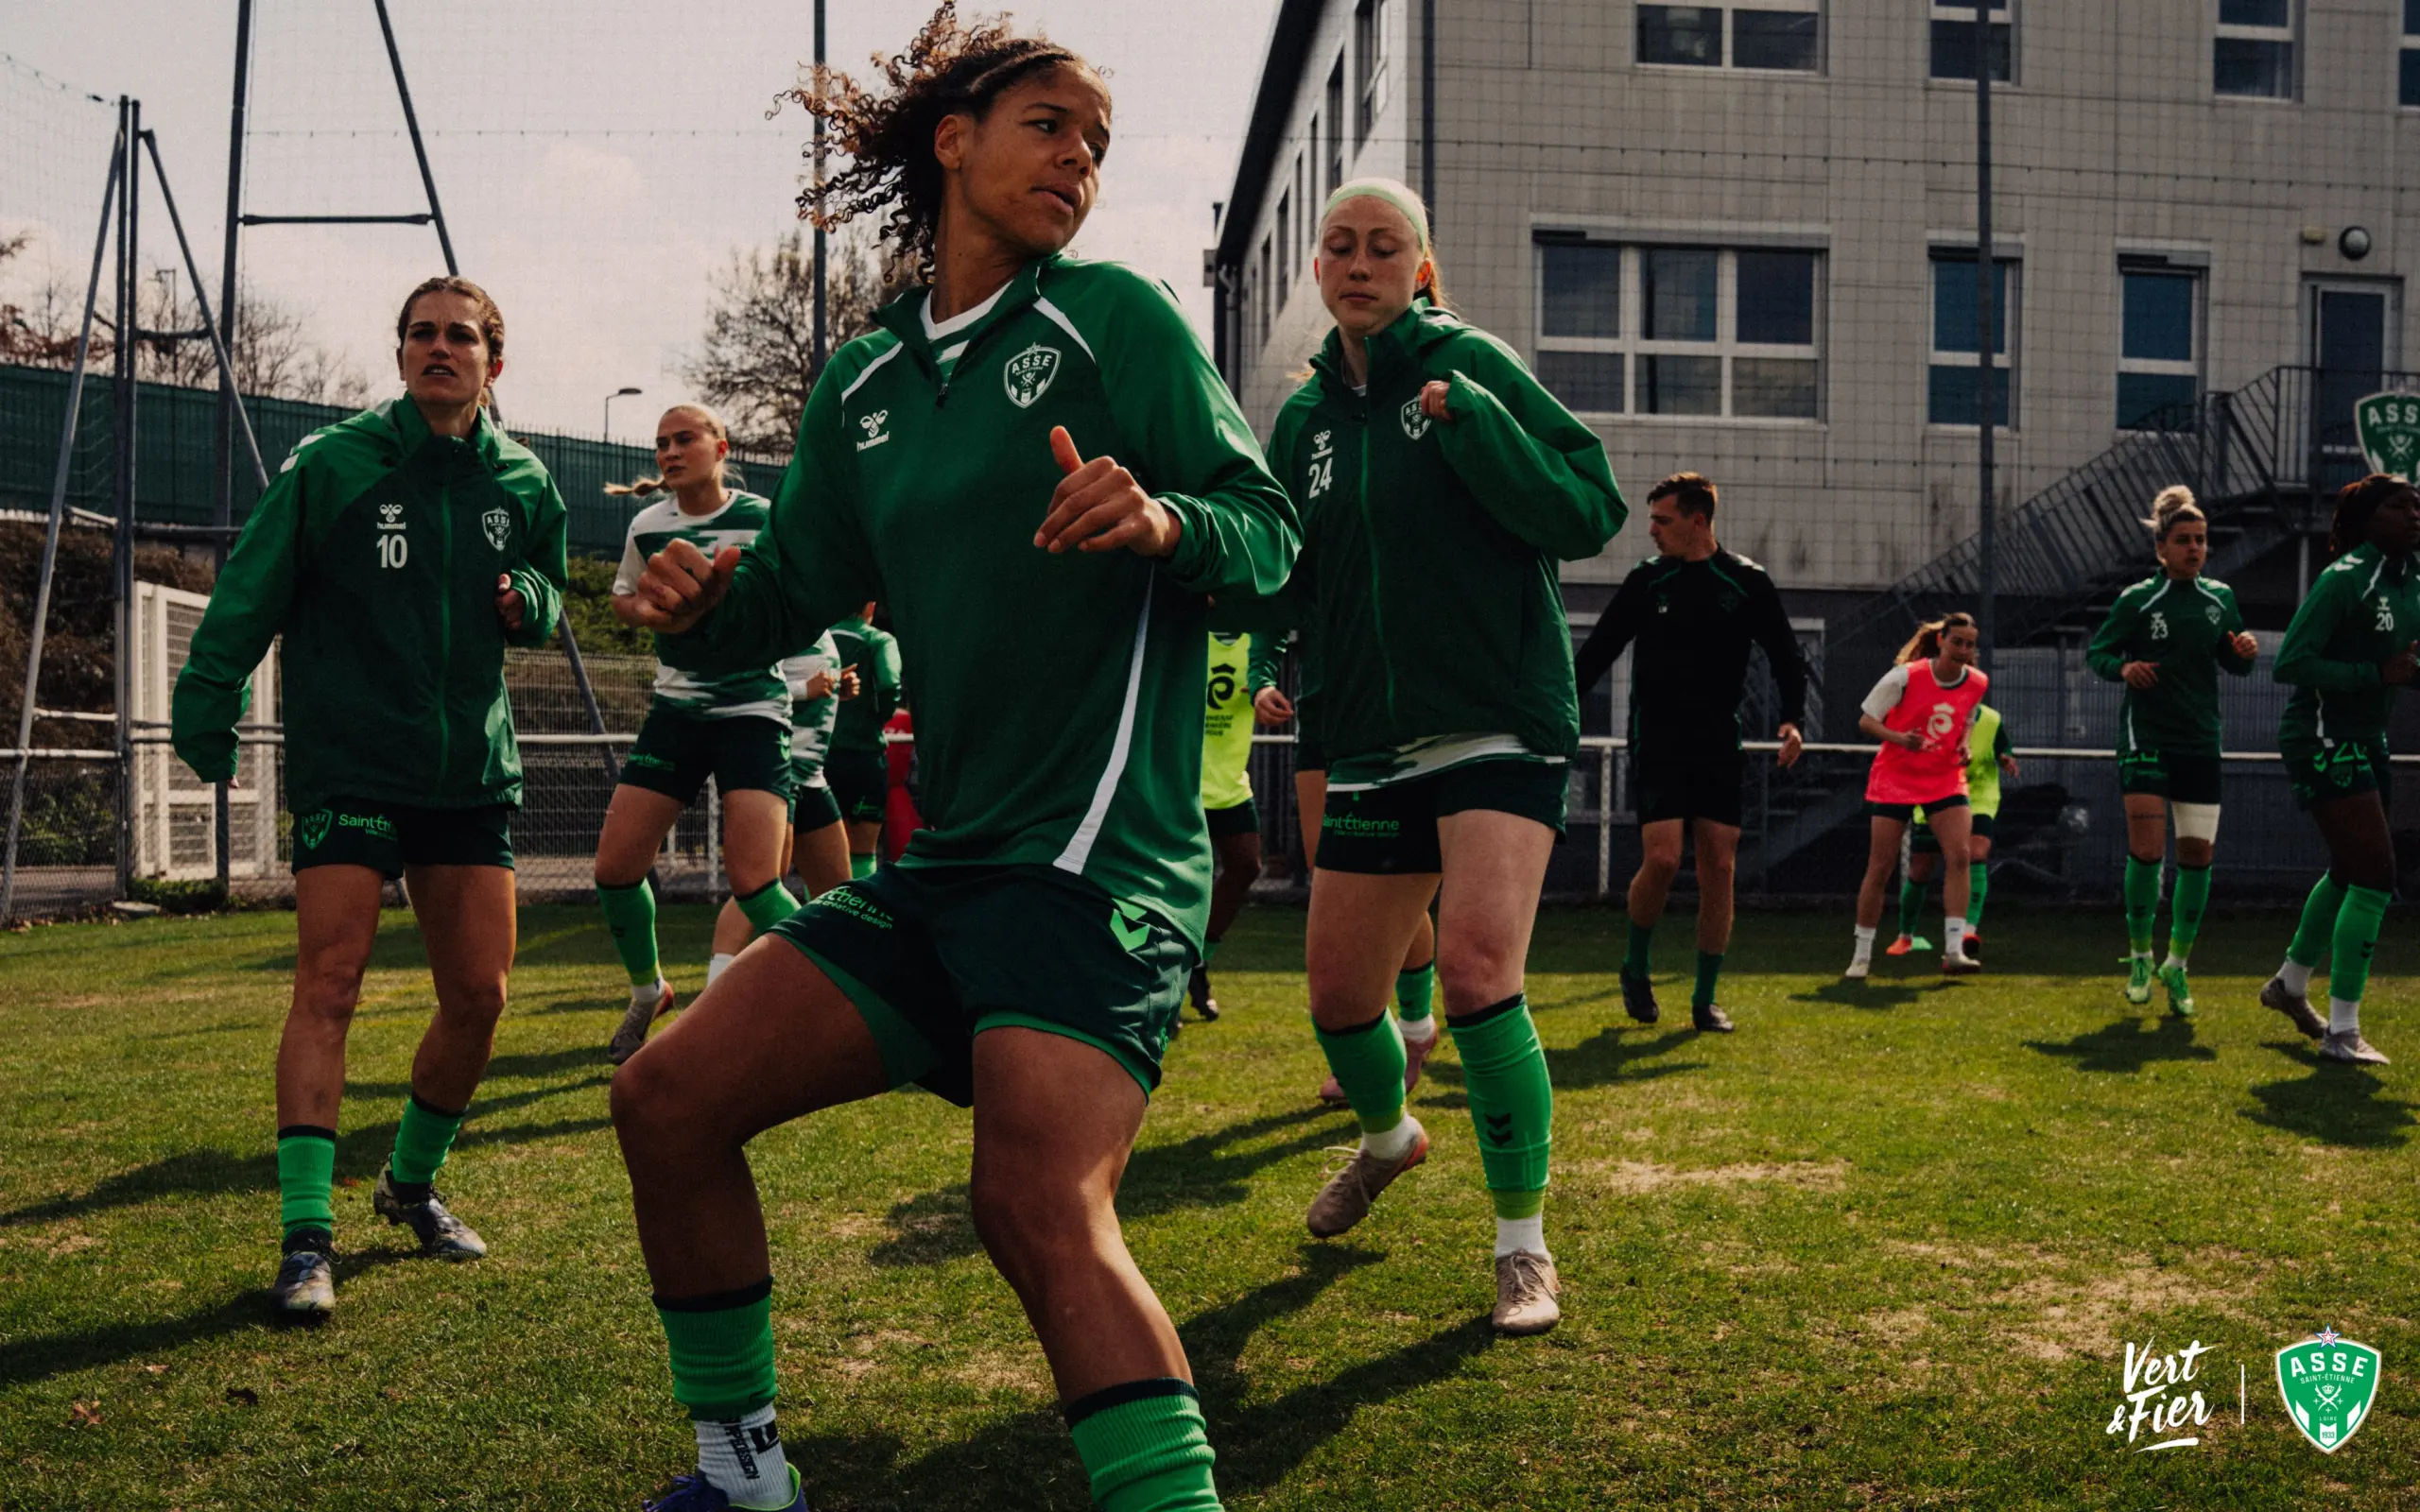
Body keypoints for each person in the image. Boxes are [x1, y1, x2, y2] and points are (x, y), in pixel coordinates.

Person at [609, 13, 1296, 1510]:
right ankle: (744, 1481)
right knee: (664, 1099)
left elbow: (1270, 535)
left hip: (1099, 862)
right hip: (951, 868)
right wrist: (699, 597)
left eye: (1098, 145)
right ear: (953, 141)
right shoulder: (864, 386)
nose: (1079, 160)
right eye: (1050, 125)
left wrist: (1166, 520)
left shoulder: (1114, 321)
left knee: (1031, 1200)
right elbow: (788, 598)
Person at [170, 275, 567, 1316]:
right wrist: (207, 698)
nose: (440, 347)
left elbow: (548, 582)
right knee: (331, 979)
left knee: (480, 997)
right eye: (421, 333)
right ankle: (307, 1241)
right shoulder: (333, 464)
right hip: (351, 760)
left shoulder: (525, 480)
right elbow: (251, 584)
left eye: (461, 336)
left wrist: (529, 599)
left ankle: (410, 1184)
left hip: (467, 769)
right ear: (400, 356)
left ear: (492, 362)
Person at [1270, 177, 1623, 1336]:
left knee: (1475, 978)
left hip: (1496, 721)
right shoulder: (1303, 420)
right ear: (1317, 270)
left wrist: (1471, 424)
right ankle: (1388, 1139)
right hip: (1369, 739)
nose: (1358, 263)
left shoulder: (1469, 366)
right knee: (1339, 1000)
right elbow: (1288, 577)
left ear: (1420, 268)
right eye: (1340, 246)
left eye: (1384, 247)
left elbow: (1587, 507)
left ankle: (1522, 1246)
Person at [599, 407, 800, 1066]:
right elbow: (623, 597)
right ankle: (648, 991)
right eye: (661, 443)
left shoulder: (766, 518)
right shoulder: (648, 526)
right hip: (677, 710)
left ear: (721, 448)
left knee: (757, 885)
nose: (669, 451)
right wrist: (644, 609)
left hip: (753, 710)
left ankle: (839, 994)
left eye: (684, 439)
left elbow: (794, 600)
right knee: (615, 871)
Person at [1572, 472, 1806, 1034]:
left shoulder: (1746, 581)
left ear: (1698, 521)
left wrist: (1792, 719)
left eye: (1662, 520)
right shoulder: (1647, 581)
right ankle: (1635, 966)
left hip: (1717, 742)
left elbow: (1786, 655)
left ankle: (1705, 999)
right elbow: (1598, 650)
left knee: (1719, 867)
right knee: (1662, 859)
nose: (1652, 530)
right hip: (1658, 737)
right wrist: (1563, 707)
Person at [2258, 474, 2419, 1064]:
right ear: (2368, 519)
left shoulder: (2411, 580)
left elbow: (2402, 664)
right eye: (2399, 506)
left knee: (2352, 873)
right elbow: (2291, 663)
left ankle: (2289, 986)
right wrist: (2374, 675)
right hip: (2322, 736)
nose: (2414, 515)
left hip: (2367, 737)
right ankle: (2342, 1032)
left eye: (2418, 506)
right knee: (2376, 876)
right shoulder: (2345, 578)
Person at [1248, 628, 1443, 1102]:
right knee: (1328, 876)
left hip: (1389, 716)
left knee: (1394, 878)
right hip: (1321, 718)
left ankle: (1414, 1025)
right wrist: (1262, 681)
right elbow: (1272, 606)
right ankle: (1365, 1047)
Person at [2085, 486, 2258, 1015]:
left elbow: (2236, 664)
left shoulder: (2220, 598)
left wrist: (2245, 651)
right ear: (2161, 548)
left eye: (2201, 540)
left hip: (2200, 739)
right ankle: (2140, 956)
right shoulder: (2138, 600)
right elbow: (2099, 652)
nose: (2195, 548)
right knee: (2147, 849)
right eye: (2184, 540)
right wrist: (2124, 667)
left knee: (2197, 856)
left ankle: (2177, 965)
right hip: (2147, 738)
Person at [1844, 613, 1989, 980]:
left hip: (1944, 777)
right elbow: (1866, 720)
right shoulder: (1905, 677)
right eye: (1957, 642)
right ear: (1941, 641)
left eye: (1970, 644)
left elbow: (1968, 717)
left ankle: (1954, 951)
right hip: (1897, 776)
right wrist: (1900, 739)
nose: (1963, 650)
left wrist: (1965, 744)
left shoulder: (1977, 682)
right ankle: (1861, 955)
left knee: (1960, 856)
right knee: (1881, 866)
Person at [1889, 704, 2016, 962]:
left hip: (1977, 797)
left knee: (1976, 853)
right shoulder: (1935, 714)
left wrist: (2006, 758)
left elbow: (2003, 747)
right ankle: (1906, 935)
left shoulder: (1991, 719)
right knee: (1921, 868)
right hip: (1937, 794)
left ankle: (1968, 932)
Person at [1190, 619, 1260, 1022]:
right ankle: (1165, 976)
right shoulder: (1188, 636)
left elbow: (1269, 685)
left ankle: (1196, 962)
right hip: (1183, 782)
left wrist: (1266, 693)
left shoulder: (1257, 645)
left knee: (1246, 866)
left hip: (1230, 785)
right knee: (1182, 882)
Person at [826, 602, 902, 877]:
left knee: (819, 854)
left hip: (819, 760)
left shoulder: (818, 637)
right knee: (862, 852)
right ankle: (857, 904)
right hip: (864, 757)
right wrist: (879, 716)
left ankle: (819, 905)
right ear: (870, 605)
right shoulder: (879, 640)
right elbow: (889, 683)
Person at [780, 635, 856, 900]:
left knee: (838, 899)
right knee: (764, 894)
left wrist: (835, 689)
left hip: (811, 776)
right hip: (778, 771)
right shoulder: (777, 621)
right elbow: (743, 689)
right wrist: (804, 689)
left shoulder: (819, 627)